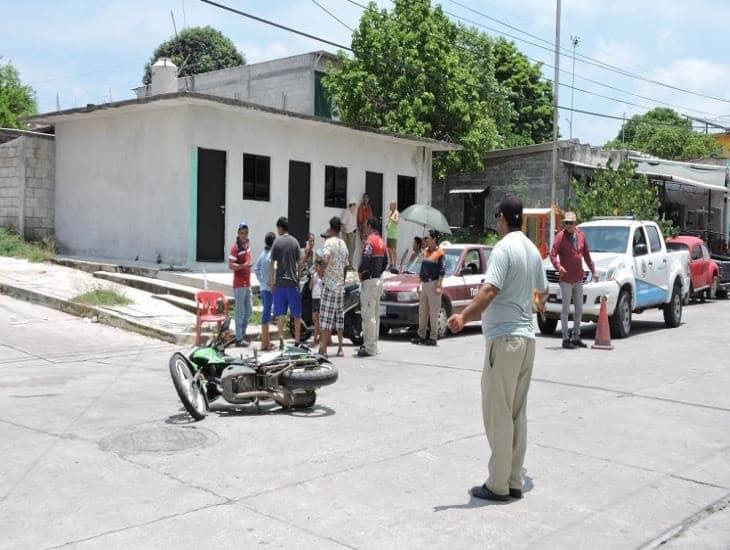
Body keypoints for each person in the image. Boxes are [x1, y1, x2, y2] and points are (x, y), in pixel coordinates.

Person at [447, 195, 548, 502]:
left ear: (504, 218)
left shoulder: (504, 248)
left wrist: (463, 316)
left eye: (497, 216)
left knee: (498, 413)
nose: (496, 221)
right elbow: (542, 293)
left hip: (504, 341)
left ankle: (498, 484)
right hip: (527, 340)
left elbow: (490, 289)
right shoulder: (532, 250)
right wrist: (529, 308)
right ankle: (515, 480)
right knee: (517, 413)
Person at [549, 211, 597, 349]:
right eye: (566, 223)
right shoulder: (560, 236)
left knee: (579, 309)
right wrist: (559, 267)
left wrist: (593, 270)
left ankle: (576, 336)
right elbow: (552, 255)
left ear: (575, 223)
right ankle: (565, 339)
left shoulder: (581, 235)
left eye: (570, 223)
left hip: (578, 278)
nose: (568, 225)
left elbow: (586, 255)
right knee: (565, 309)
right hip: (566, 280)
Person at [269, 216, 302, 349]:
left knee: (281, 314)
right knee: (296, 315)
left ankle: (281, 338)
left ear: (280, 227)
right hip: (292, 283)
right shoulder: (295, 242)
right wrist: (298, 278)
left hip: (280, 284)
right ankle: (297, 341)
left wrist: (272, 282)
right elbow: (299, 263)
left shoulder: (276, 243)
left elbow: (272, 264)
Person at [318, 216, 349, 358]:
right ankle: (340, 348)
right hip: (340, 286)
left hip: (329, 285)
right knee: (339, 318)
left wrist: (321, 271)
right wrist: (342, 280)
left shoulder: (329, 242)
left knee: (325, 318)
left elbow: (325, 258)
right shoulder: (343, 244)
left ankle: (323, 349)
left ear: (330, 228)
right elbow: (346, 266)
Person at [356, 217, 387, 358]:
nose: (364, 228)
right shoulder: (381, 241)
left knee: (368, 316)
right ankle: (374, 344)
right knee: (375, 315)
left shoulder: (370, 241)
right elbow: (385, 261)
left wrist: (360, 272)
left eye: (365, 225)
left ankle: (369, 348)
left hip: (369, 281)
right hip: (377, 280)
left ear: (369, 226)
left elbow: (366, 258)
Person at [411, 229, 445, 346]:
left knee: (433, 313)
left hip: (433, 283)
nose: (425, 240)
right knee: (423, 312)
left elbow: (442, 271)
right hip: (424, 284)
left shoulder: (440, 253)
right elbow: (422, 270)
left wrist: (439, 286)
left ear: (434, 239)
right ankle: (421, 335)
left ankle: (433, 337)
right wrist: (418, 284)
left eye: (427, 238)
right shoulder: (425, 252)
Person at [228, 222, 252, 347]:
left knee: (249, 311)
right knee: (240, 312)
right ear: (238, 233)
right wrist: (243, 266)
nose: (244, 235)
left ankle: (242, 334)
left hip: (247, 283)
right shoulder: (235, 248)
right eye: (242, 233)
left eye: (246, 233)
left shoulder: (247, 244)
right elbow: (231, 265)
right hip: (239, 284)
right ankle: (239, 338)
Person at [254, 231, 276, 351]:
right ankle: (264, 343)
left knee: (267, 313)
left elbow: (256, 268)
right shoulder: (271, 255)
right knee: (266, 315)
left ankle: (267, 341)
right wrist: (268, 282)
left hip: (264, 288)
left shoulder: (263, 253)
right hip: (268, 289)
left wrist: (261, 280)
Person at [310, 258, 325, 347]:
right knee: (315, 319)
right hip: (314, 298)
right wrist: (312, 278)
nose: (315, 267)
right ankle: (318, 338)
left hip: (320, 298)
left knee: (317, 321)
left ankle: (315, 339)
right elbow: (310, 287)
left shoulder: (323, 276)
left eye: (316, 265)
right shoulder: (314, 275)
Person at [340, 200, 358, 269]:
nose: (355, 207)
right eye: (354, 206)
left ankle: (350, 265)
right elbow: (343, 224)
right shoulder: (347, 212)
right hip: (348, 234)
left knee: (352, 249)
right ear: (351, 205)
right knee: (348, 250)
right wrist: (344, 236)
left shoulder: (353, 213)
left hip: (353, 233)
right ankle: (348, 266)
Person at [385, 201, 400, 270]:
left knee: (394, 250)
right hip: (389, 234)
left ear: (394, 206)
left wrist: (391, 218)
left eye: (391, 205)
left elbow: (397, 222)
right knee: (389, 249)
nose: (389, 207)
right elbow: (390, 222)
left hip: (394, 235)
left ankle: (395, 264)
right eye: (389, 205)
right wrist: (387, 225)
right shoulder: (391, 213)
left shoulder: (396, 213)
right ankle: (391, 263)